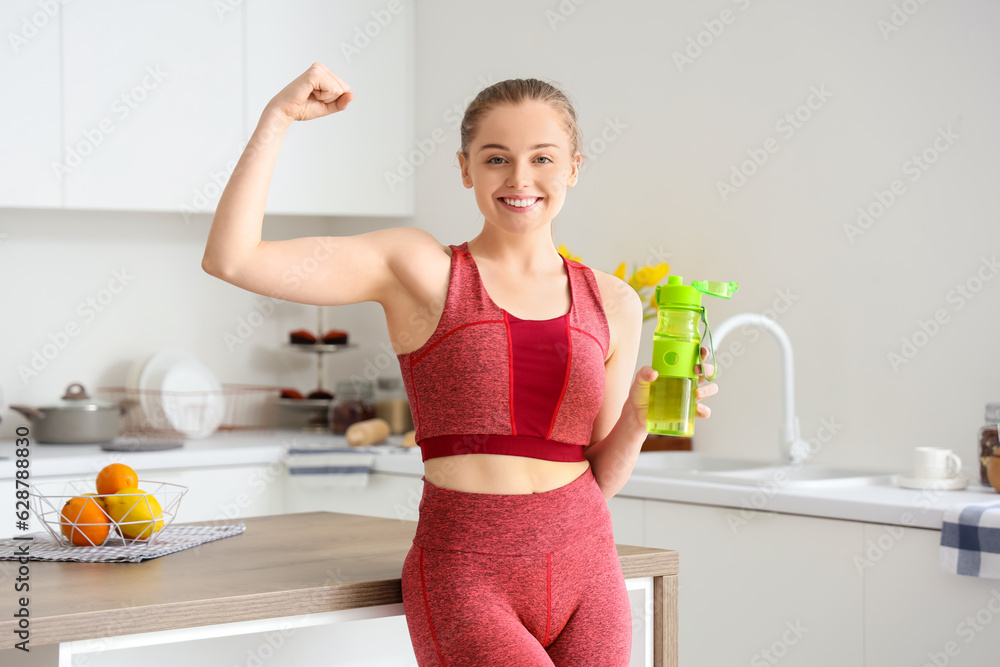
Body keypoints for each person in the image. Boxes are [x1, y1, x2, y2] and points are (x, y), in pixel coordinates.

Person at [203, 62, 718, 667]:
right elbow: (233, 258)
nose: (520, 178)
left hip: (588, 567)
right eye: (496, 157)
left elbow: (600, 477)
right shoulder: (421, 269)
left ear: (574, 168)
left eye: (543, 158)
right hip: (469, 572)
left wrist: (637, 419)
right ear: (465, 167)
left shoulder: (614, 302)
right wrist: (277, 118)